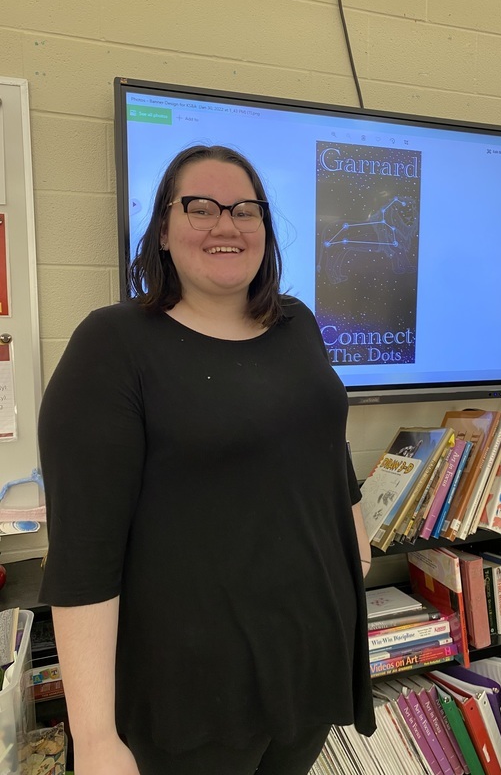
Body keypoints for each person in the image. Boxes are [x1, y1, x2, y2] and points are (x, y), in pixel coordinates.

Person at [38, 144, 376, 775]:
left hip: (309, 663)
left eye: (246, 210)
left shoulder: (297, 324)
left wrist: (355, 554)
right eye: (201, 207)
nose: (227, 225)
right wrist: (96, 737)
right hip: (190, 693)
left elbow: (323, 441)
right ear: (163, 230)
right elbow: (83, 556)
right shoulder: (112, 346)